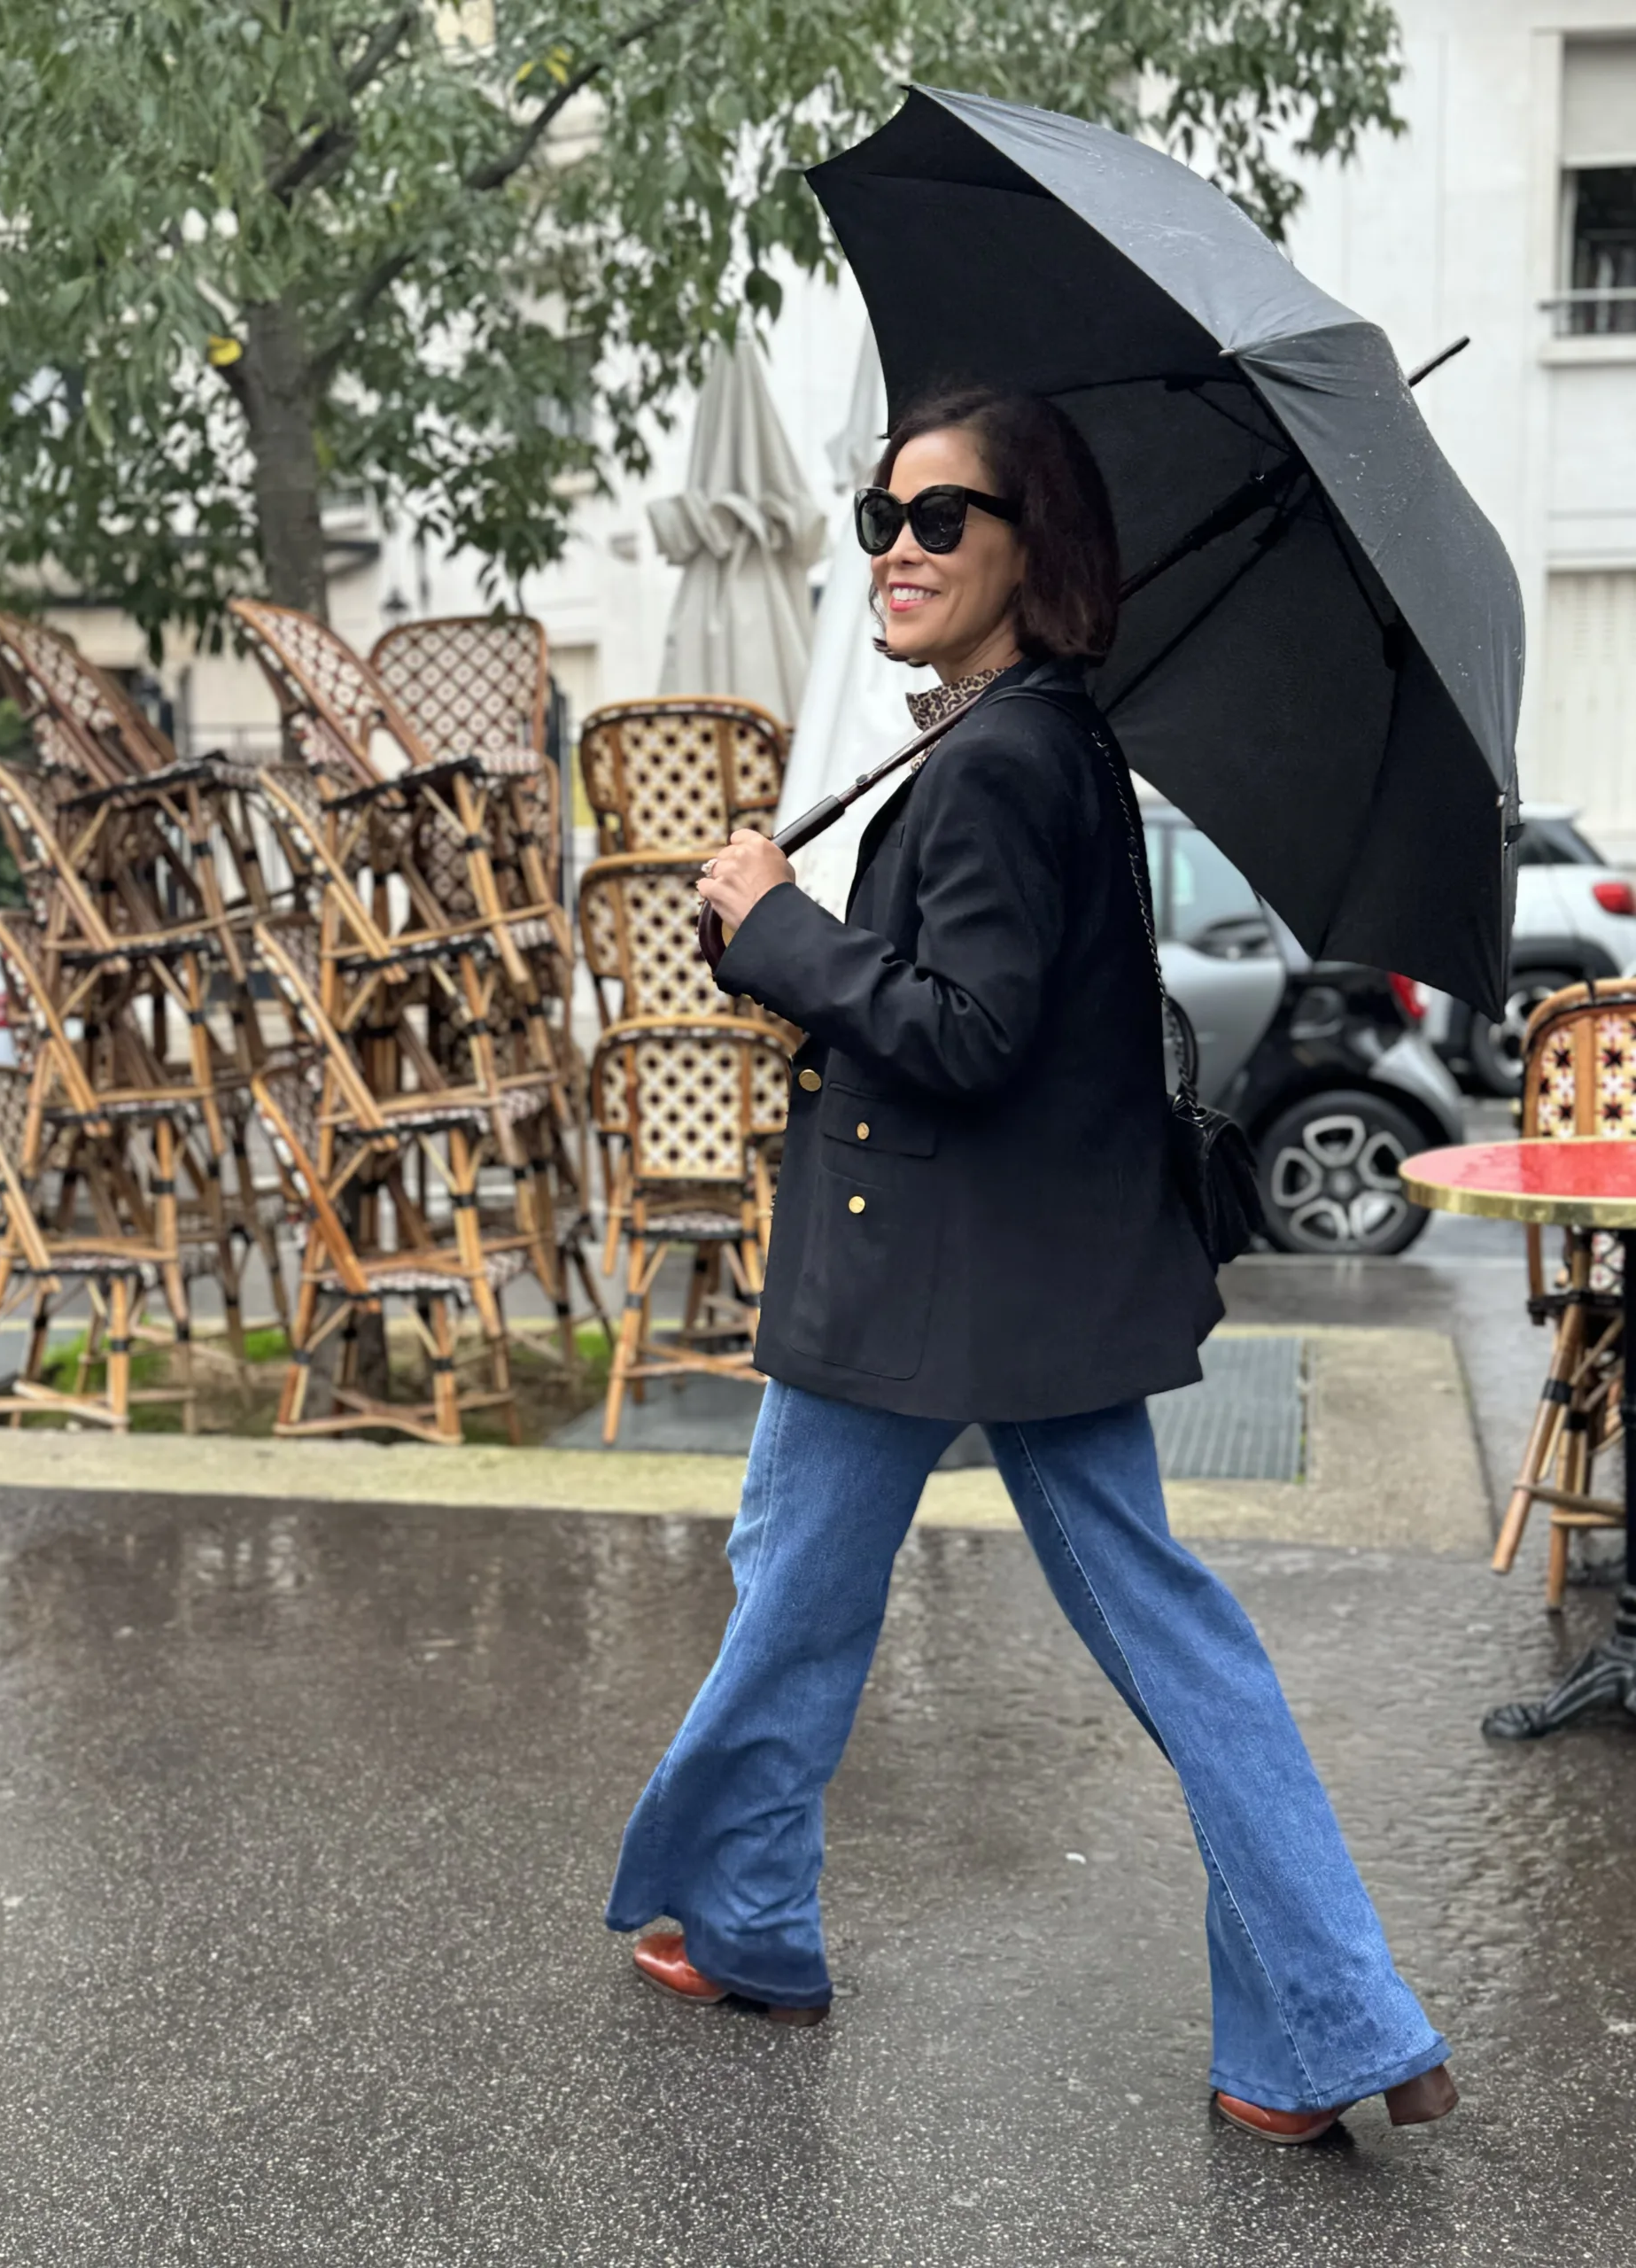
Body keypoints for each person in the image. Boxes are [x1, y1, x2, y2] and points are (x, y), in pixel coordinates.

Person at [605, 386, 1457, 2144]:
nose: (898, 548)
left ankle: (763, 1923)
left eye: (945, 518)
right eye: (881, 515)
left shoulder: (999, 757)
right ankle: (1323, 2028)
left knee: (798, 1593)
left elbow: (973, 1030)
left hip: (928, 1273)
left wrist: (781, 930)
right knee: (1141, 1624)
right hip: (1025, 1276)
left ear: (1030, 546)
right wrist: (809, 934)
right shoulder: (1030, 735)